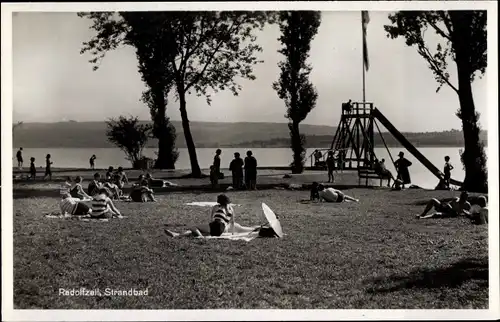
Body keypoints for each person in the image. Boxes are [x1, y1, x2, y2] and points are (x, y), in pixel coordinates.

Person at [164, 194, 259, 238]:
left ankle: (199, 237)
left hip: (215, 226)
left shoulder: (216, 207)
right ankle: (259, 227)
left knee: (194, 227)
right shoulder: (231, 209)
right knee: (247, 228)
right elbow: (232, 222)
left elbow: (212, 219)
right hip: (224, 229)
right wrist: (233, 234)